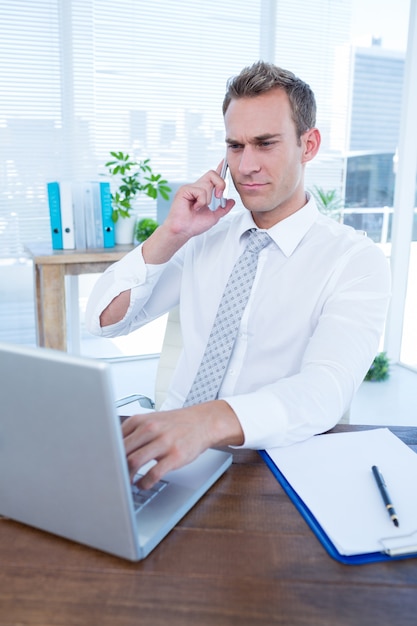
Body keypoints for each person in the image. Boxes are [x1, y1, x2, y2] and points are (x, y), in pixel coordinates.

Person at [86, 61, 390, 489]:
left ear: (309, 144)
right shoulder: (203, 235)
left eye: (265, 144)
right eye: (235, 146)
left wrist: (205, 423)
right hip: (165, 461)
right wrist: (171, 233)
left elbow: (326, 389)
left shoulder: (355, 260)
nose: (246, 165)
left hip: (269, 470)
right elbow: (103, 322)